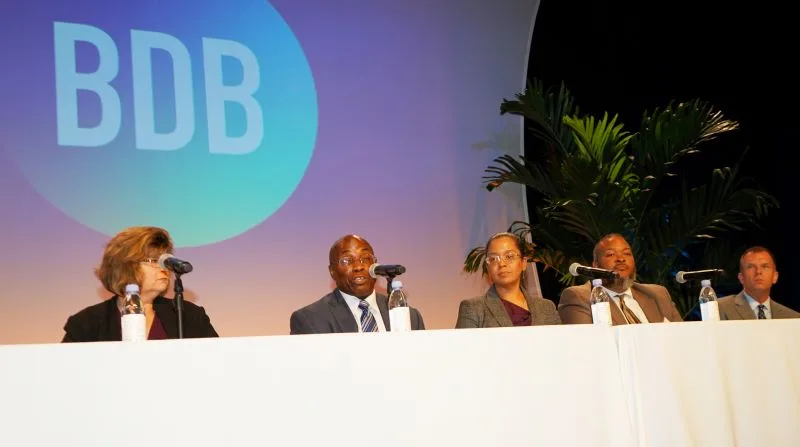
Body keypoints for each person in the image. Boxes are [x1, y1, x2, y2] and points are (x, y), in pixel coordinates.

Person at [61, 226, 218, 342]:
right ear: (126, 266)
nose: (164, 268)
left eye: (165, 261)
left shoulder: (189, 316)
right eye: (153, 261)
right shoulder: (86, 323)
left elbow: (217, 363)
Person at [289, 234, 425, 334]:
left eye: (365, 258)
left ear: (375, 264)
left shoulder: (411, 317)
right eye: (347, 260)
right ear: (332, 271)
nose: (359, 267)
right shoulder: (310, 319)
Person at [558, 233, 682, 325]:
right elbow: (589, 345)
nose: (621, 259)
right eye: (610, 254)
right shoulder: (579, 297)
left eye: (627, 253)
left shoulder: (658, 295)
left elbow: (683, 337)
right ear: (595, 265)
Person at [455, 232, 561, 328]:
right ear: (488, 268)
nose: (501, 264)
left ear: (523, 263)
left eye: (509, 256)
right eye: (493, 259)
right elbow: (463, 344)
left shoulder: (546, 308)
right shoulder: (474, 308)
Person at [718, 246, 800, 320]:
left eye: (765, 266)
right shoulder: (719, 308)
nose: (758, 271)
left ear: (775, 277)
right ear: (741, 277)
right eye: (751, 267)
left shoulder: (793, 318)